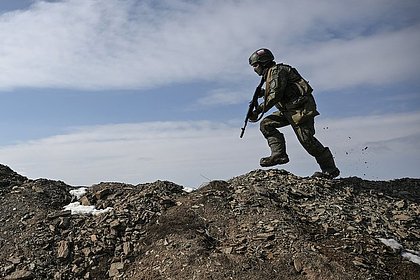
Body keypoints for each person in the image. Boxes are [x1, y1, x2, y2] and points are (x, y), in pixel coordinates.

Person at [247, 48, 340, 178]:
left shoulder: (277, 71)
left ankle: (330, 169)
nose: (254, 69)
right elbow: (277, 91)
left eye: (255, 65)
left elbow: (275, 96)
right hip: (289, 110)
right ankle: (279, 154)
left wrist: (257, 111)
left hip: (300, 110)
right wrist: (262, 94)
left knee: (307, 141)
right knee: (266, 124)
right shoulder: (270, 74)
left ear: (264, 62)